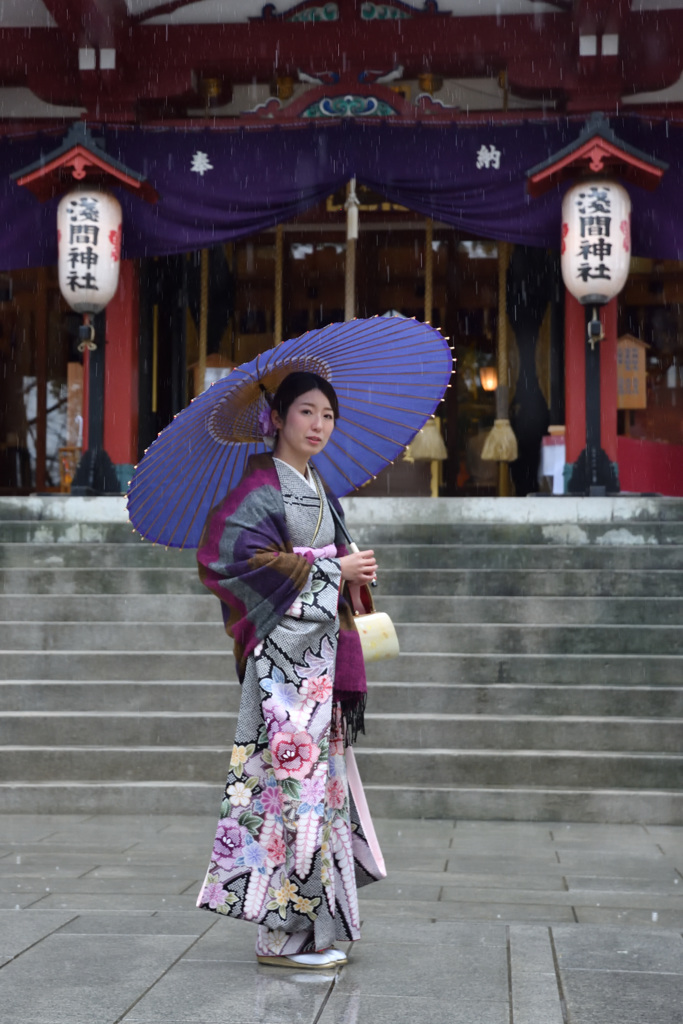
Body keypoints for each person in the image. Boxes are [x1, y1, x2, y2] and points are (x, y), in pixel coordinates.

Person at [195, 371, 385, 970]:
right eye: (306, 412)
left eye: (328, 415)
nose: (319, 425)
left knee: (318, 795)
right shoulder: (258, 486)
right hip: (283, 667)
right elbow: (229, 559)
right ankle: (278, 937)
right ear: (276, 418)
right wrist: (332, 570)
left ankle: (312, 931)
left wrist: (348, 570)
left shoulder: (318, 488)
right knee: (288, 795)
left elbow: (313, 560)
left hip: (319, 663)